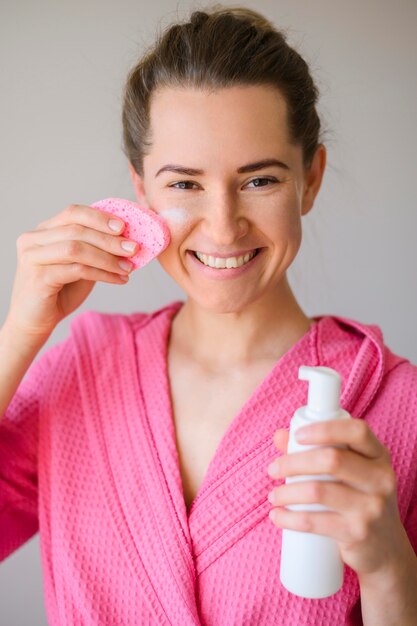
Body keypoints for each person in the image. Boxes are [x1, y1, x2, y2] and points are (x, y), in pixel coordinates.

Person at [0, 6, 416, 625]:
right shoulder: (82, 368)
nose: (222, 227)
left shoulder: (397, 404)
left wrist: (391, 572)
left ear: (311, 178)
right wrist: (21, 333)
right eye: (185, 184)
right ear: (140, 191)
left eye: (258, 181)